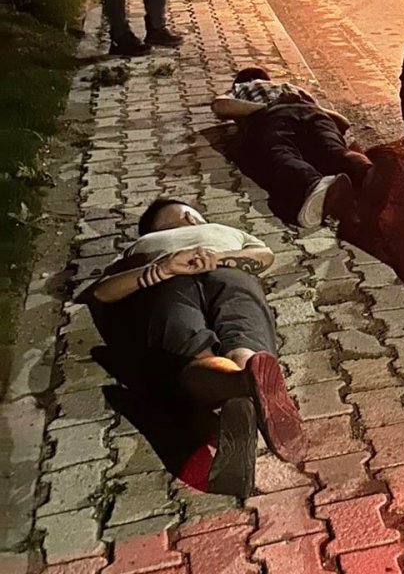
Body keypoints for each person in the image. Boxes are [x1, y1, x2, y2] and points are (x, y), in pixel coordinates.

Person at [81, 198, 303, 497]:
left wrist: (193, 264)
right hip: (196, 278)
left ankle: (241, 382)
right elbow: (102, 292)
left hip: (197, 279)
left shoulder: (200, 235)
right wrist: (173, 266)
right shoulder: (159, 241)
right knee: (225, 333)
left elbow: (264, 256)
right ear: (185, 217)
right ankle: (248, 378)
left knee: (212, 336)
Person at [212, 67, 378, 229]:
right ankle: (367, 173)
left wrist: (265, 108)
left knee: (281, 154)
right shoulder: (291, 88)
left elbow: (220, 106)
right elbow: (343, 122)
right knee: (333, 150)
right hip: (314, 114)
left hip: (273, 117)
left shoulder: (241, 88)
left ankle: (314, 185)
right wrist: (309, 107)